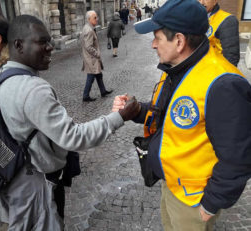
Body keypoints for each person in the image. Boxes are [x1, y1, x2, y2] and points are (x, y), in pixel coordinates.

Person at [114, 0, 251, 230]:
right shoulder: (179, 68)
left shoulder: (223, 83)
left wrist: (210, 204)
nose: (153, 45)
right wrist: (137, 111)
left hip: (193, 200)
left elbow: (238, 158)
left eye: (157, 37)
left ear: (179, 41)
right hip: (173, 184)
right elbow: (169, 115)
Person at [0, 14, 140, 230]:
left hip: (17, 179)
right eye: (42, 42)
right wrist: (119, 117)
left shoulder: (3, 76)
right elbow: (74, 136)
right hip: (39, 182)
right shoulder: (33, 89)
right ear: (18, 45)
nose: (50, 47)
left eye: (49, 41)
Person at [81, 10, 113, 102]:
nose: (97, 19)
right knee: (91, 77)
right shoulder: (89, 30)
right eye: (95, 18)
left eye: (96, 17)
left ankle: (103, 91)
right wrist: (97, 53)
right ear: (89, 19)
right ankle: (85, 96)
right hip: (92, 59)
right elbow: (88, 46)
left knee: (99, 75)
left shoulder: (87, 27)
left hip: (91, 58)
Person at [198, 0, 240, 66]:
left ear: (215, 1)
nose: (201, 2)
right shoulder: (193, 16)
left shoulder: (227, 20)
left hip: (215, 69)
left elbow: (231, 57)